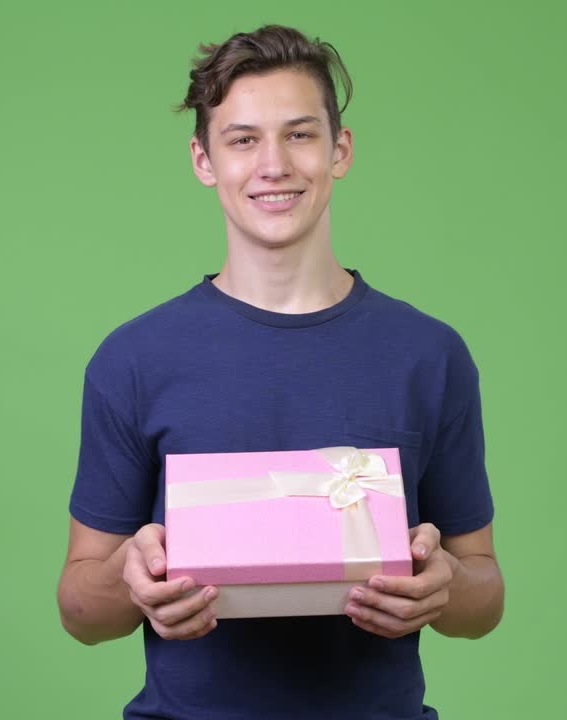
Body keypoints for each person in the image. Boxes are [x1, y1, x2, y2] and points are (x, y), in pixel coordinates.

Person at [56, 24, 504, 719]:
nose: (273, 164)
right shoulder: (134, 359)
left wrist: (444, 584)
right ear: (204, 160)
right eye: (242, 139)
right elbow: (81, 609)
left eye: (299, 134)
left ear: (339, 150)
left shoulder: (429, 355)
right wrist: (129, 580)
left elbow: (484, 596)